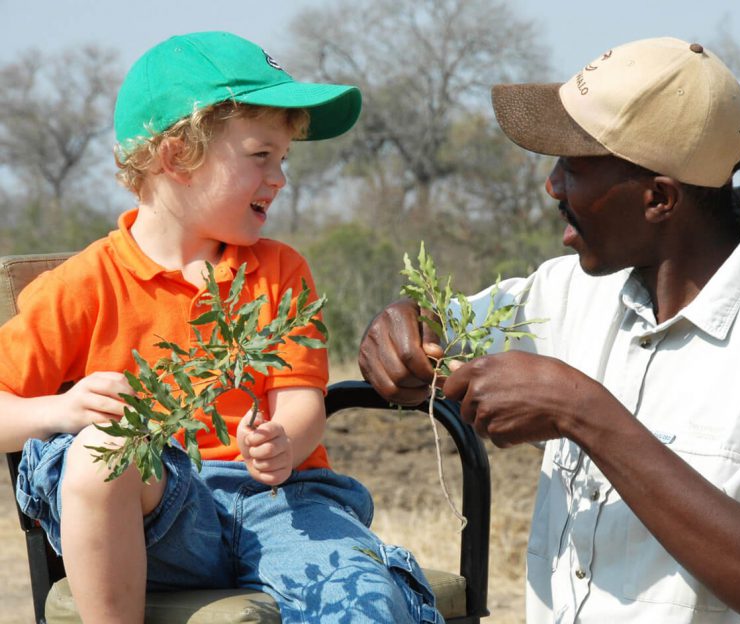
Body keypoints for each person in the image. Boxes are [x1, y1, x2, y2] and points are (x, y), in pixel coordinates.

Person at [359, 36, 740, 623]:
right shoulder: (568, 291)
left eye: (574, 168)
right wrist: (399, 330)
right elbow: (434, 326)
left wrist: (583, 413)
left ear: (659, 197)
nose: (552, 186)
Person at [1, 31, 442, 624]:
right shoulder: (84, 286)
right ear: (177, 155)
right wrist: (58, 412)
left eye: (283, 159)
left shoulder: (280, 272)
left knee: (366, 598)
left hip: (284, 506)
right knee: (101, 450)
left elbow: (302, 403)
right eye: (261, 155)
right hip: (164, 522)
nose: (280, 177)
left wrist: (283, 442)